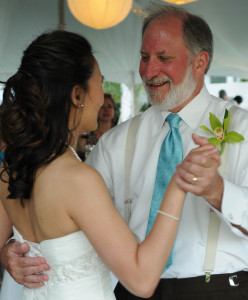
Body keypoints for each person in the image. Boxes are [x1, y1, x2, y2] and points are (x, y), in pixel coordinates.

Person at [2, 4, 248, 299]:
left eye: (163, 58)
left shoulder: (243, 128)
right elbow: (64, 222)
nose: (148, 70)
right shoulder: (113, 142)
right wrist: (11, 251)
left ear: (200, 62)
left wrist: (219, 192)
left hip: (219, 290)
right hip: (130, 290)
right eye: (144, 57)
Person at [76, 93, 117, 161]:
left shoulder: (119, 134)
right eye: (102, 107)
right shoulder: (85, 137)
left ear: (114, 110)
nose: (106, 110)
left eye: (109, 106)